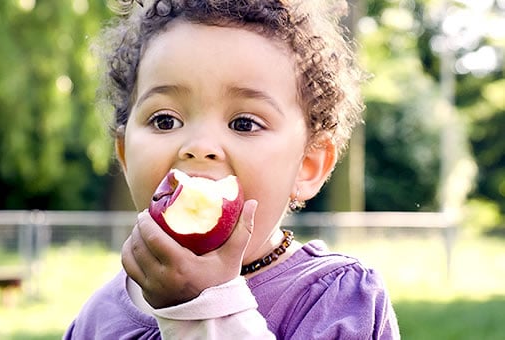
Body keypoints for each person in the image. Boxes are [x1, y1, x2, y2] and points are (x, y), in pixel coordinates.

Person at [65, 0, 400, 338]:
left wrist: (203, 310)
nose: (200, 146)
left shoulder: (336, 301)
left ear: (307, 165)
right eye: (165, 120)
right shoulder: (98, 318)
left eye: (244, 123)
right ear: (124, 155)